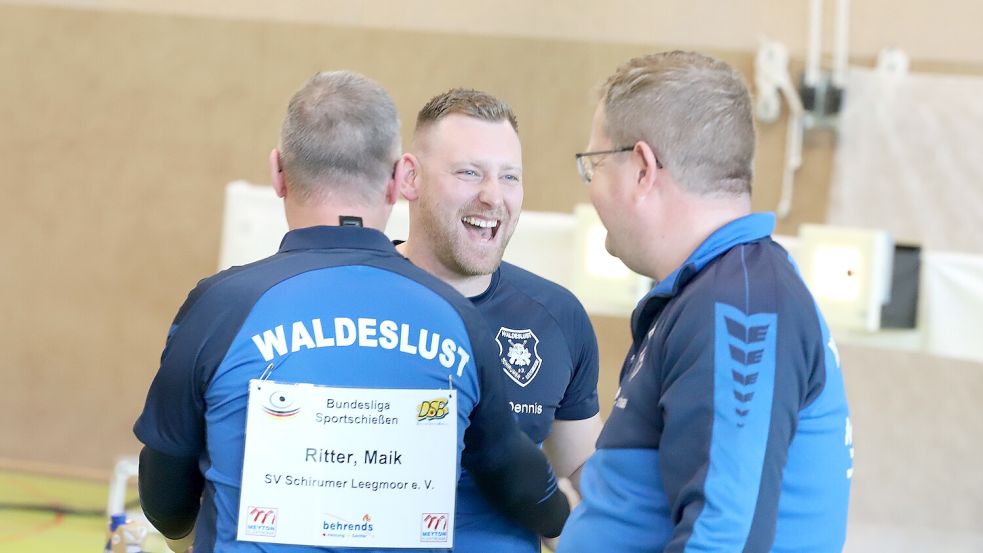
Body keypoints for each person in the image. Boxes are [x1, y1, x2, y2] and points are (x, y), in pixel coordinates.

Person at [132, 71, 569, 553]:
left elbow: (165, 499)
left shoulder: (220, 306)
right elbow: (517, 478)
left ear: (278, 173)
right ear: (397, 181)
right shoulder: (454, 316)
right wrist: (565, 512)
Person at [557, 51, 853, 553]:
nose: (592, 191)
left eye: (595, 166)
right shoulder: (713, 294)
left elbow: (727, 539)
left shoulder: (739, 304)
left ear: (643, 169)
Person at [395, 88, 602, 553]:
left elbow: (588, 490)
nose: (492, 196)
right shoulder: (357, 301)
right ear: (410, 178)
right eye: (469, 172)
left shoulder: (557, 318)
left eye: (509, 177)